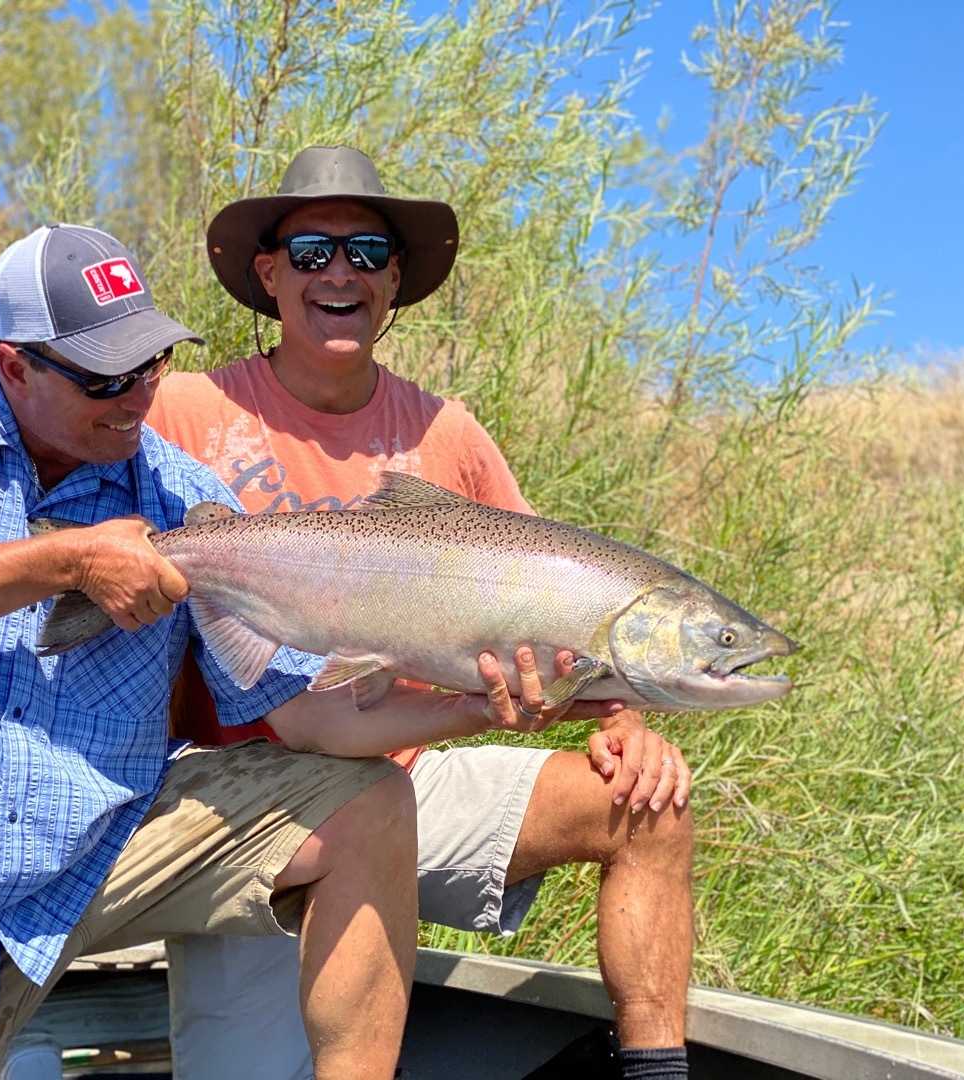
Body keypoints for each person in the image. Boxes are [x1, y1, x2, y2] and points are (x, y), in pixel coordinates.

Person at [0, 222, 597, 1080]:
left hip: (102, 853)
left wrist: (476, 706)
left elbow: (312, 719)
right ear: (14, 367)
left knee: (368, 800)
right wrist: (70, 558)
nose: (138, 396)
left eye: (150, 363)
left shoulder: (185, 498)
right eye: (105, 375)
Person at [146, 147, 695, 1080]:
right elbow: (68, 471)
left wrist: (626, 720)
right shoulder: (184, 409)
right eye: (313, 250)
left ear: (394, 280)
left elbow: (563, 599)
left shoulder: (448, 432)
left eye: (367, 251)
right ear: (269, 274)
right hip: (247, 797)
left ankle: (658, 1073)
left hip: (408, 773)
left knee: (646, 805)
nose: (341, 271)